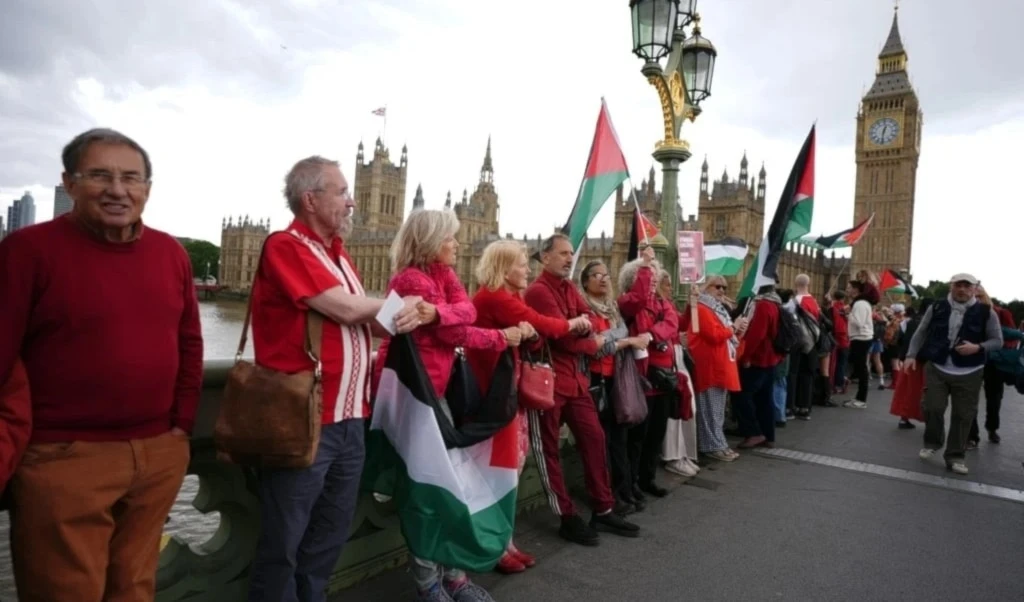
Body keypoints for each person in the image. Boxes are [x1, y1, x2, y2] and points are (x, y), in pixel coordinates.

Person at [0, 128, 201, 600]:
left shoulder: (170, 252)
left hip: (158, 453)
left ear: (147, 188)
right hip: (64, 457)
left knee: (135, 588)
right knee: (64, 591)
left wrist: (181, 426)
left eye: (131, 178)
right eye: (99, 176)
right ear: (69, 183)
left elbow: (189, 341)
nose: (117, 189)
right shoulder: (26, 251)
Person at [247, 156, 423, 602]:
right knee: (285, 539)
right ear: (310, 199)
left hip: (351, 419)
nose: (352, 202)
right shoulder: (285, 246)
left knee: (330, 531)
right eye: (343, 192)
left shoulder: (341, 257)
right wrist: (396, 304)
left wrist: (411, 315)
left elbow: (371, 323)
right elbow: (344, 308)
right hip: (304, 417)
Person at [373, 209, 516, 602]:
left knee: (450, 485)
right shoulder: (411, 279)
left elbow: (466, 312)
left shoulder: (444, 274)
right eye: (450, 237)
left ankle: (452, 575)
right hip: (412, 396)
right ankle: (430, 584)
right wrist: (498, 337)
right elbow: (454, 332)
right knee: (427, 491)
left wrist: (437, 312)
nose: (457, 243)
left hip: (435, 393)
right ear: (431, 242)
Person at [468, 240, 591, 573]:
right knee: (498, 475)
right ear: (504, 268)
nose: (528, 270)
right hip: (493, 398)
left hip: (510, 394)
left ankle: (504, 542)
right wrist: (572, 324)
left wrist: (531, 335)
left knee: (511, 471)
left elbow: (535, 337)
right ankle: (494, 546)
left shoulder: (511, 297)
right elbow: (544, 324)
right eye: (522, 264)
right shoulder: (494, 297)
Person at [525, 234, 640, 547]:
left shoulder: (569, 289)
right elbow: (562, 337)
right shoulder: (539, 291)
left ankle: (603, 508)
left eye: (571, 253)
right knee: (548, 449)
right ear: (545, 257)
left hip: (575, 381)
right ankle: (566, 516)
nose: (569, 258)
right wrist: (590, 340)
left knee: (595, 438)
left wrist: (580, 324)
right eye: (563, 253)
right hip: (548, 382)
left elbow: (587, 317)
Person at [905, 273, 1003, 475]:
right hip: (937, 366)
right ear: (951, 286)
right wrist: (910, 355)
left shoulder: (987, 312)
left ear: (975, 289)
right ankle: (933, 442)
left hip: (970, 371)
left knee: (963, 415)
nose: (962, 289)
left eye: (967, 286)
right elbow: (921, 332)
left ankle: (955, 456)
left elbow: (997, 341)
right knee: (932, 407)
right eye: (958, 285)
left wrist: (977, 347)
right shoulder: (937, 307)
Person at [578, 260, 650, 512]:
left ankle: (623, 491)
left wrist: (610, 338)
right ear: (585, 281)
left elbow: (612, 337)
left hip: (614, 379)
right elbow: (595, 349)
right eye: (595, 275)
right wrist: (625, 340)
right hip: (594, 380)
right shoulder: (583, 309)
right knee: (601, 441)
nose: (603, 279)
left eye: (606, 275)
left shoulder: (612, 308)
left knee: (619, 439)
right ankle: (607, 496)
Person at [687, 276, 745, 462]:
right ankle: (711, 446)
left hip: (719, 365)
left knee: (717, 410)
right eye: (718, 286)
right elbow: (713, 335)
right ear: (707, 287)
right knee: (710, 410)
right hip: (709, 366)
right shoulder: (702, 308)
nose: (722, 291)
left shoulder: (717, 309)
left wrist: (737, 330)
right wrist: (733, 327)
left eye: (724, 287)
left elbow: (725, 335)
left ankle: (718, 443)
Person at [842, 280, 877, 409]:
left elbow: (859, 323)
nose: (847, 289)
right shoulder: (860, 303)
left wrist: (848, 314)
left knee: (862, 369)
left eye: (849, 287)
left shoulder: (860, 304)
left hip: (861, 338)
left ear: (856, 289)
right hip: (860, 337)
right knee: (860, 368)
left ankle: (861, 399)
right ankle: (859, 398)